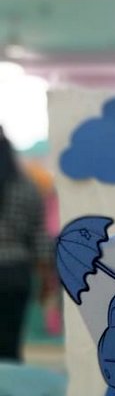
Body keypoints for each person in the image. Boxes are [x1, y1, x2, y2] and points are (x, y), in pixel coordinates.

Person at [0, 128, 54, 360]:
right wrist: (46, 280)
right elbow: (39, 237)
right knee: (10, 347)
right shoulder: (27, 186)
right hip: (16, 274)